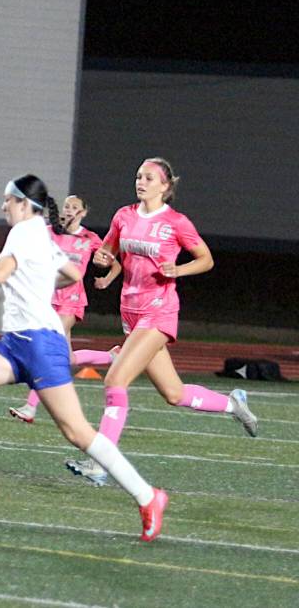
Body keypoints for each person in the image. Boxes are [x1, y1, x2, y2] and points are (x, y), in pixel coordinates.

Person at [0, 174, 168, 542]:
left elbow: (0, 273)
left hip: (38, 344)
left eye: (7, 200)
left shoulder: (24, 231)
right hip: (16, 343)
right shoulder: (39, 232)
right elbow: (72, 273)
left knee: (77, 432)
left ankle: (148, 496)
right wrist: (37, 284)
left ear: (24, 204)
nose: (3, 206)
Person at [66, 157, 257, 486]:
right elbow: (107, 254)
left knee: (115, 379)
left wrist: (178, 270)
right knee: (174, 393)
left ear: (165, 186)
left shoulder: (176, 222)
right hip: (130, 310)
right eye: (138, 176)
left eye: (149, 178)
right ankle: (233, 405)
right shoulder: (123, 216)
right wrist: (102, 259)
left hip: (159, 311)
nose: (141, 182)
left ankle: (100, 463)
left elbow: (206, 259)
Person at [9, 194, 122, 423]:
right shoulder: (49, 232)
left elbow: (115, 264)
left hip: (72, 300)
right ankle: (111, 357)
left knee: (46, 348)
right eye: (67, 206)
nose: (69, 210)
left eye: (74, 207)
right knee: (66, 358)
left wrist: (106, 279)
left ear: (83, 212)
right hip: (48, 299)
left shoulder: (90, 238)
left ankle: (30, 407)